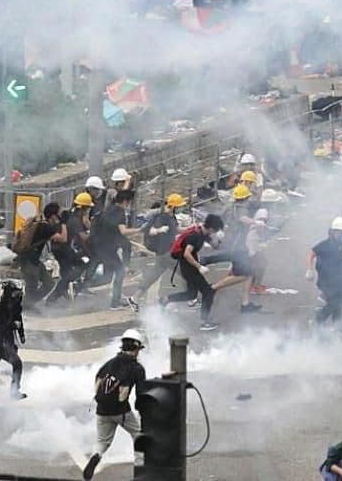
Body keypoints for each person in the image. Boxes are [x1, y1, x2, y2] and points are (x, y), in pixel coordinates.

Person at [82, 328, 148, 480]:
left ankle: (95, 456)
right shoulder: (137, 369)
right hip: (121, 412)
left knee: (102, 442)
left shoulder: (110, 363)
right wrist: (143, 411)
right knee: (138, 435)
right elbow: (141, 395)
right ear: (136, 348)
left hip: (102, 410)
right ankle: (140, 470)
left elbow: (98, 381)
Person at [161, 213, 226, 331]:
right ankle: (204, 322)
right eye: (215, 231)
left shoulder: (203, 233)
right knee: (208, 291)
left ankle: (165, 299)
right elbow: (186, 254)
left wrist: (220, 239)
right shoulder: (195, 236)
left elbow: (215, 246)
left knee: (191, 294)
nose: (214, 233)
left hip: (191, 267)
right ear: (211, 228)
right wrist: (199, 266)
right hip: (189, 268)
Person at [89, 188, 141, 310]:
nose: (129, 205)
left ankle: (81, 286)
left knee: (109, 275)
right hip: (107, 248)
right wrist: (141, 230)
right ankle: (115, 303)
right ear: (125, 201)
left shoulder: (109, 208)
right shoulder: (119, 212)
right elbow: (123, 231)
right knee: (120, 271)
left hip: (102, 246)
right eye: (129, 202)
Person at [14, 202, 67, 301]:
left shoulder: (42, 225)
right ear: (53, 216)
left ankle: (29, 304)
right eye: (59, 214)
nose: (60, 217)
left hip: (34, 260)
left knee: (49, 283)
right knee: (31, 288)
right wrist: (64, 223)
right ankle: (27, 307)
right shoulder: (45, 227)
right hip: (28, 261)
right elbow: (63, 238)